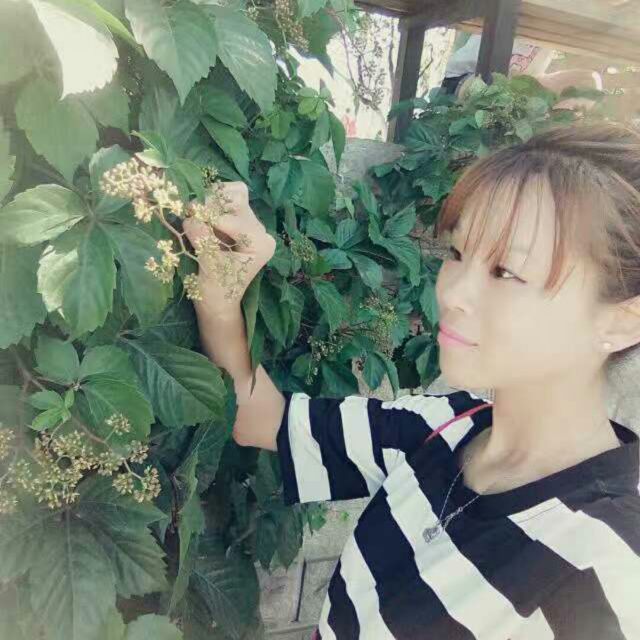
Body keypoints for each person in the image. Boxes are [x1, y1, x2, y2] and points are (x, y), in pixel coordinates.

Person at [183, 121, 640, 639]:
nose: (453, 292)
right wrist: (221, 289)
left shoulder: (608, 573)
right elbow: (256, 417)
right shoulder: (442, 426)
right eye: (458, 254)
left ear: (622, 321)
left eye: (506, 272)